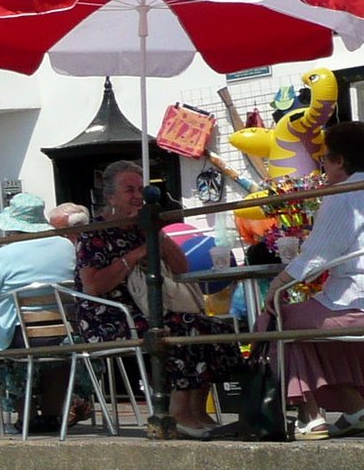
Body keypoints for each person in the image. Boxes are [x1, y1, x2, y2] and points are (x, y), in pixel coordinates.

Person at [76, 160, 241, 439]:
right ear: (110, 196)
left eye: (141, 189)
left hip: (153, 309)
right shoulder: (94, 233)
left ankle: (197, 411)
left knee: (214, 328)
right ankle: (176, 413)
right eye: (129, 190)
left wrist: (157, 237)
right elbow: (92, 286)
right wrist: (135, 255)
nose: (137, 196)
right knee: (182, 329)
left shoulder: (142, 226)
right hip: (111, 316)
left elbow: (182, 268)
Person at [265, 120, 364, 438]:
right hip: (363, 298)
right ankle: (356, 406)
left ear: (340, 161)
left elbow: (315, 258)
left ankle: (309, 414)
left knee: (277, 320)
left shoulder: (343, 195)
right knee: (311, 318)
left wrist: (276, 286)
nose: (322, 166)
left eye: (324, 159)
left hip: (363, 300)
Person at [0, 193, 82, 423]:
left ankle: (27, 417)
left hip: (20, 335)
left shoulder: (3, 254)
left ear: (12, 229)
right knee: (57, 353)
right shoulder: (66, 246)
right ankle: (53, 415)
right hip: (67, 333)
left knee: (12, 351)